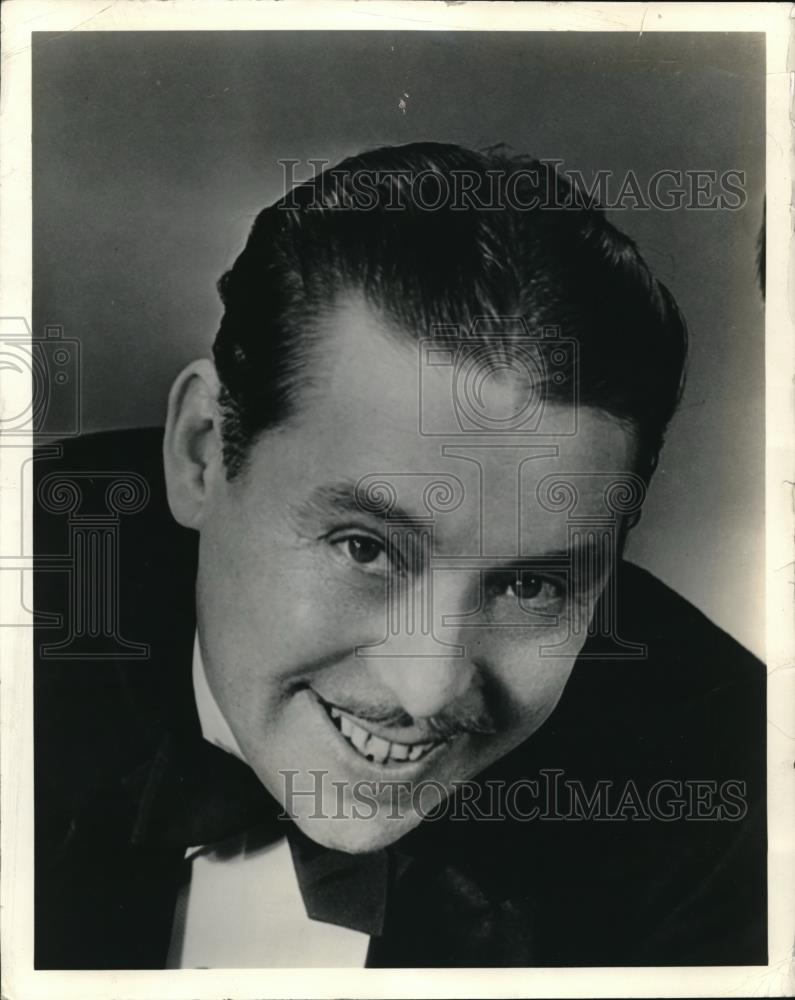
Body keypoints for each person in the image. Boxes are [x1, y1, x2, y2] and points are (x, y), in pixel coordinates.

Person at [33, 142, 766, 969]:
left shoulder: (730, 801)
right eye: (366, 548)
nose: (427, 688)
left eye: (529, 584)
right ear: (202, 451)